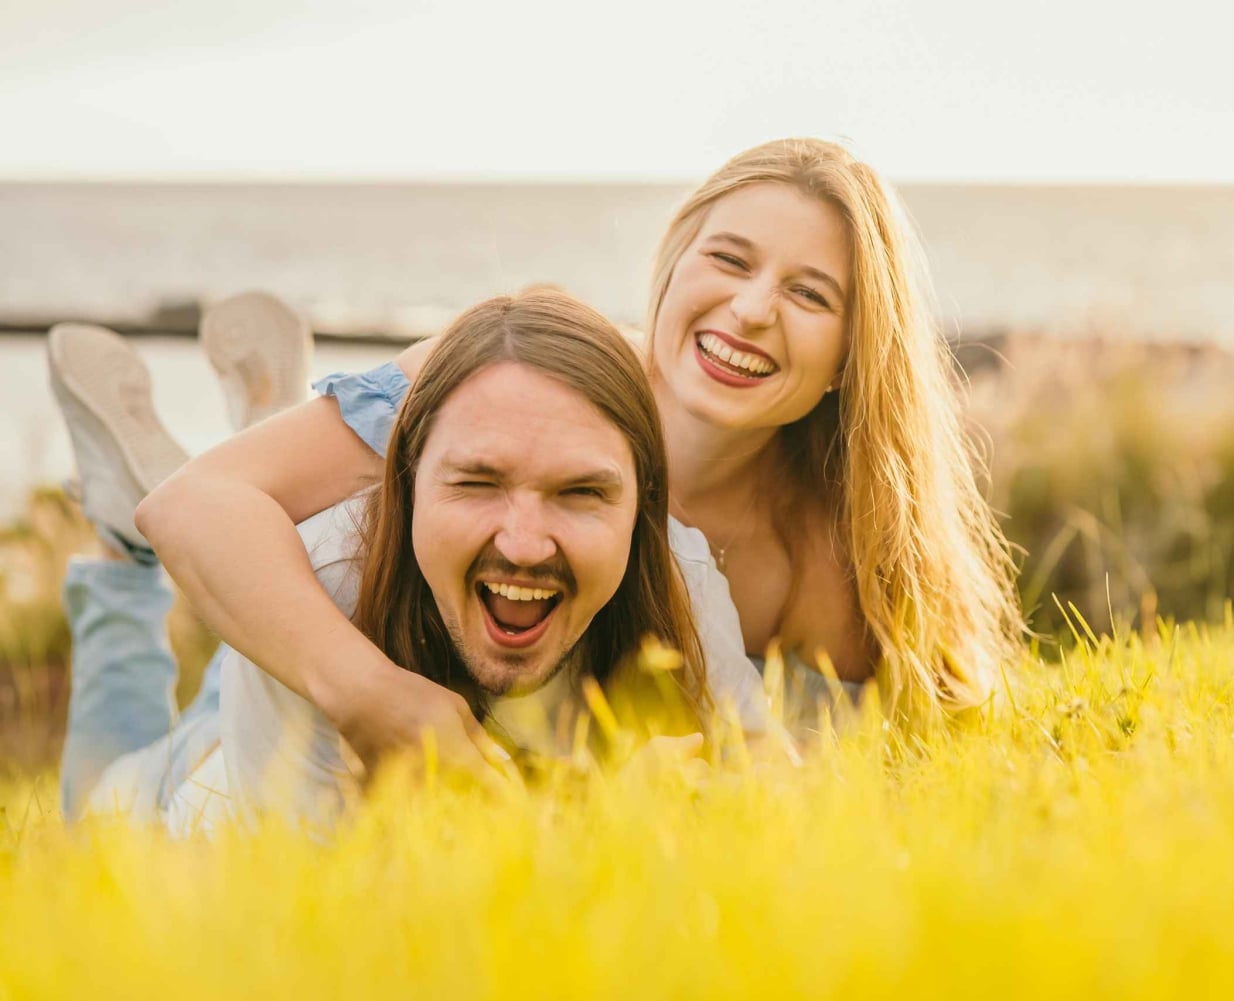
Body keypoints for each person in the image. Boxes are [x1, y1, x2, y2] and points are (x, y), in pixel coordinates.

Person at [140, 137, 1026, 763]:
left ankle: (271, 414)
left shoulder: (832, 544)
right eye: (728, 259)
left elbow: (905, 751)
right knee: (168, 762)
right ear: (670, 269)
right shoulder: (524, 379)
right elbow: (194, 506)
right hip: (320, 657)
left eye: (809, 292)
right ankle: (124, 567)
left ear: (850, 358)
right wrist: (374, 694)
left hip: (533, 754)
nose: (753, 309)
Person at [52, 287, 763, 830]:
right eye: (476, 481)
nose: (523, 542)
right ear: (402, 478)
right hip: (216, 780)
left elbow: (773, 793)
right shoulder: (331, 590)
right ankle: (123, 557)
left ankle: (262, 444)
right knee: (95, 811)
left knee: (279, 570)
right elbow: (375, 938)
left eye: (582, 492)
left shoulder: (685, 580)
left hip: (285, 622)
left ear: (645, 504)